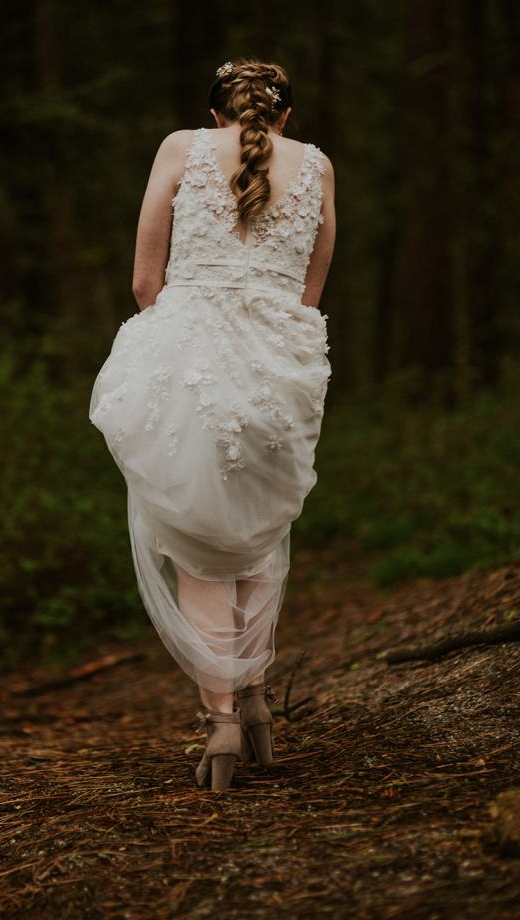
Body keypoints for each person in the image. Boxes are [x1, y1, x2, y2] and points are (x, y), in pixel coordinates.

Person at [89, 57, 335, 792]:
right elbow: (309, 292)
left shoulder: (179, 148)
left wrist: (183, 340)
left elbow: (145, 282)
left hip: (192, 355)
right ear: (283, 116)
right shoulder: (319, 167)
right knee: (258, 538)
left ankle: (221, 718)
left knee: (199, 544)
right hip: (279, 366)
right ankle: (257, 701)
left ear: (214, 114)